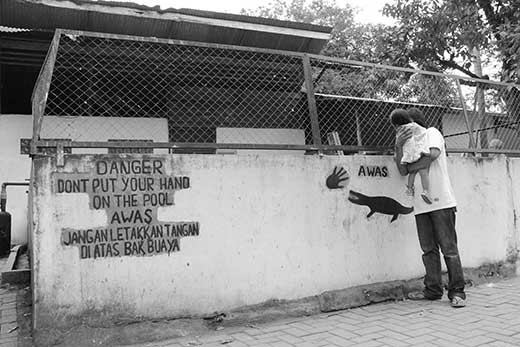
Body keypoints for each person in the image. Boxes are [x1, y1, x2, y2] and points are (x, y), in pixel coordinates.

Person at [394, 107, 466, 308]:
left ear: (415, 123)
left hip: (441, 202)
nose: (402, 130)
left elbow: (432, 155)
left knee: (449, 249)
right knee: (428, 250)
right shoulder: (406, 144)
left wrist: (410, 167)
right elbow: (401, 170)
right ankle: (433, 290)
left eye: (405, 126)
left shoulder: (432, 133)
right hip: (420, 206)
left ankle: (457, 292)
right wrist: (398, 146)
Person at [390, 109, 432, 204]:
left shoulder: (399, 132)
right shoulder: (418, 129)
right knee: (423, 172)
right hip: (419, 154)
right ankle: (426, 191)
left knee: (412, 173)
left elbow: (404, 171)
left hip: (408, 157)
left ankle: (409, 189)